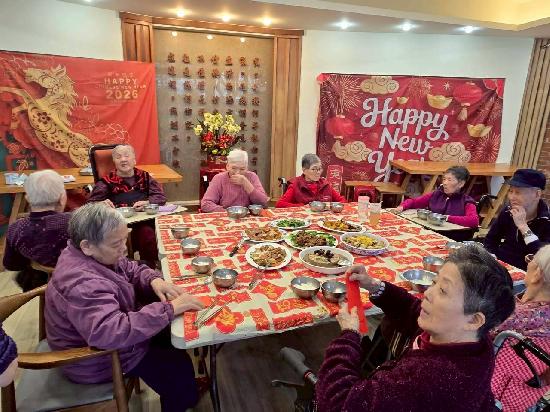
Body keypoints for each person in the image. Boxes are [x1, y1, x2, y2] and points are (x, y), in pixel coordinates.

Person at [316, 245, 515, 412]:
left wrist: (349, 336)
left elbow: (337, 403)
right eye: (435, 282)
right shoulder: (471, 339)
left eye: (443, 290)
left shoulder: (427, 380)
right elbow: (413, 309)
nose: (427, 293)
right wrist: (375, 286)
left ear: (474, 320)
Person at [45, 203, 204, 411]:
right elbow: (110, 332)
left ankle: (186, 389)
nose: (124, 249)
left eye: (123, 239)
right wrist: (169, 308)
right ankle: (183, 394)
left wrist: (154, 280)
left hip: (108, 338)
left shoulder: (91, 253)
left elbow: (129, 267)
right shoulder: (83, 284)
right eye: (116, 244)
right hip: (96, 358)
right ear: (87, 246)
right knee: (175, 367)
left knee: (172, 335)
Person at [491, 245, 550, 412]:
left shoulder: (516, 317)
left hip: (494, 394)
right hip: (525, 397)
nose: (528, 263)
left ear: (537, 275)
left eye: (531, 259)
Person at [88, 144, 166, 267]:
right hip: (119, 225)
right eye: (118, 157)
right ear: (114, 162)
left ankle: (151, 266)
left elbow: (160, 197)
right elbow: (90, 204)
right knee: (144, 234)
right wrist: (101, 204)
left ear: (134, 160)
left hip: (144, 220)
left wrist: (148, 202)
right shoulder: (106, 182)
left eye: (126, 156)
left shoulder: (144, 177)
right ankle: (136, 268)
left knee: (148, 233)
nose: (123, 160)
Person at [3, 170, 70, 291]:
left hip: (38, 285)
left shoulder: (16, 228)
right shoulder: (76, 221)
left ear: (27, 198)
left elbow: (12, 265)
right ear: (61, 198)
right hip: (76, 281)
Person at [484, 168, 550, 270]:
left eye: (518, 192)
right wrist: (492, 260)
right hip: (502, 265)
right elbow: (490, 241)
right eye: (511, 191)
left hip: (531, 272)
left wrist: (523, 226)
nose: (511, 197)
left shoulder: (546, 219)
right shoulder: (507, 211)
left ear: (537, 194)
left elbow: (544, 257)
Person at [395, 165, 478, 228]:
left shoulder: (466, 201)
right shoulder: (437, 194)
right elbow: (414, 202)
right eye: (444, 179)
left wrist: (446, 218)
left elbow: (473, 221)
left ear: (461, 184)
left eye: (449, 180)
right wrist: (402, 206)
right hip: (432, 231)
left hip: (452, 236)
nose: (445, 183)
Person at [200, 149, 268, 212]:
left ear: (247, 168)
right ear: (227, 166)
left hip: (247, 216)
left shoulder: (252, 176)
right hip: (226, 216)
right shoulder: (219, 178)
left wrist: (246, 183)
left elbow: (263, 203)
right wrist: (228, 212)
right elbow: (205, 204)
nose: (237, 173)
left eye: (242, 169)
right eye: (234, 168)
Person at [275, 154, 346, 208]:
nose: (318, 172)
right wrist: (302, 206)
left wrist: (330, 205)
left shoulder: (325, 184)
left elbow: (342, 201)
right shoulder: (295, 185)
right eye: (314, 169)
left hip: (324, 219)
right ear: (304, 170)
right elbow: (280, 204)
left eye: (319, 169)